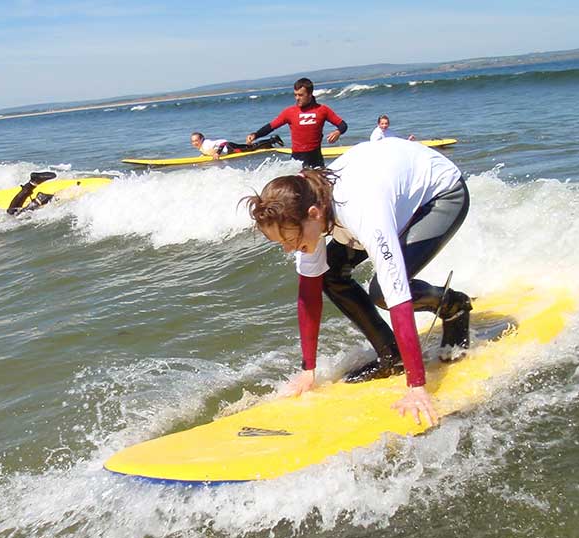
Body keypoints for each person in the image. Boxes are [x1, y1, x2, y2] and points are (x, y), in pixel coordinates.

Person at [241, 138, 473, 426]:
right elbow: (309, 293)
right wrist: (307, 371)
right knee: (330, 275)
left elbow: (397, 291)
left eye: (291, 240)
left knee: (384, 293)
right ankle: (392, 356)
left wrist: (417, 387)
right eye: (282, 243)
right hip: (387, 188)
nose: (289, 248)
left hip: (439, 195)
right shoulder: (306, 206)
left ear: (314, 215)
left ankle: (454, 306)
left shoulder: (363, 210)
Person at [246, 77, 347, 168]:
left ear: (310, 94)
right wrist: (256, 134)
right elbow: (271, 126)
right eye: (295, 95)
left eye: (301, 95)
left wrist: (337, 132)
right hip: (297, 160)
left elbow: (343, 125)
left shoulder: (323, 110)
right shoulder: (289, 112)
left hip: (316, 158)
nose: (297, 98)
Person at [190, 132, 283, 160]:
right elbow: (210, 151)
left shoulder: (206, 144)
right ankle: (269, 144)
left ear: (202, 139)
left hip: (231, 148)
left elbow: (223, 142)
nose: (195, 143)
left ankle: (273, 139)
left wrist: (217, 153)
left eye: (196, 140)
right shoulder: (202, 147)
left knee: (252, 148)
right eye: (193, 141)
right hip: (230, 148)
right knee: (250, 147)